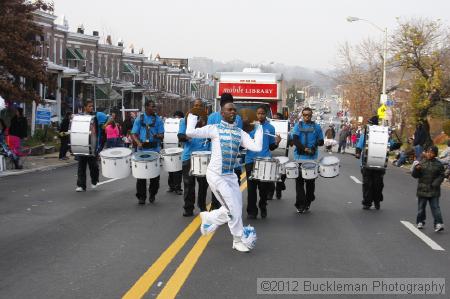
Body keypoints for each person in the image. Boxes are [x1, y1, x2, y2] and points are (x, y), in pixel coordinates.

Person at [186, 102, 262, 252]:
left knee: (236, 208)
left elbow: (256, 147)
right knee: (232, 208)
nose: (233, 112)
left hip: (231, 177)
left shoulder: (240, 133)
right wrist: (194, 115)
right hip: (216, 176)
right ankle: (238, 239)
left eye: (235, 110)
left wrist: (259, 128)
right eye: (229, 110)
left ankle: (209, 218)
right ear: (222, 113)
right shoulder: (214, 129)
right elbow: (190, 132)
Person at [207, 93, 243, 210]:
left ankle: (220, 209)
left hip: (225, 161)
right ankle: (225, 210)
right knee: (231, 187)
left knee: (220, 187)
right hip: (228, 161)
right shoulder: (215, 117)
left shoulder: (236, 118)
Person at [245, 105, 281, 219]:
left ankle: (263, 204)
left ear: (266, 115)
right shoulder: (251, 126)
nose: (260, 115)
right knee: (251, 188)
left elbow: (271, 147)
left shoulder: (270, 128)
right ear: (256, 114)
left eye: (262, 113)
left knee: (263, 187)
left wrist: (277, 142)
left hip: (264, 160)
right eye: (258, 113)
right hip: (250, 160)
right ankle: (252, 211)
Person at [178, 100, 209, 216]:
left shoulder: (208, 120)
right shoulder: (185, 120)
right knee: (188, 184)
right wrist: (188, 135)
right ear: (192, 107)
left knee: (203, 184)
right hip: (189, 156)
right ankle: (188, 208)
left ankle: (202, 206)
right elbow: (180, 136)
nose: (198, 108)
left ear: (204, 108)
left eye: (200, 106)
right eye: (196, 106)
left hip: (204, 156)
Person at [291, 107, 324, 213]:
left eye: (309, 115)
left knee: (310, 183)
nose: (306, 117)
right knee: (299, 182)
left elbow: (321, 141)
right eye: (304, 115)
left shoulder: (317, 127)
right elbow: (295, 140)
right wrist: (304, 148)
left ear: (311, 115)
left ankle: (308, 200)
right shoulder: (297, 126)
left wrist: (315, 146)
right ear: (302, 115)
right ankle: (300, 205)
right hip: (299, 158)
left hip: (312, 159)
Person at [131, 100, 164, 204]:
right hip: (142, 150)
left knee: (154, 176)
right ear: (146, 107)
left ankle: (152, 194)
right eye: (152, 106)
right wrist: (138, 142)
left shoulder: (158, 120)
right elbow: (133, 134)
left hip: (154, 150)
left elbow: (162, 135)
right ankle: (141, 197)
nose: (154, 108)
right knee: (141, 175)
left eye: (155, 106)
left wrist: (157, 135)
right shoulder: (139, 119)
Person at [75, 100, 108, 192]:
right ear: (85, 107)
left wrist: (105, 125)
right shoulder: (80, 116)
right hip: (82, 144)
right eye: (89, 106)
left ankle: (94, 181)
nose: (91, 108)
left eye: (92, 106)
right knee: (81, 166)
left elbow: (109, 118)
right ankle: (81, 185)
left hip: (93, 145)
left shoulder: (97, 115)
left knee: (93, 166)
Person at [412, 146, 445, 232]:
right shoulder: (421, 162)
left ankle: (438, 224)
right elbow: (415, 175)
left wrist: (436, 183)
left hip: (434, 190)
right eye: (428, 152)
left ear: (435, 154)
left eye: (432, 152)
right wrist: (417, 169)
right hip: (422, 189)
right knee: (421, 207)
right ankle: (420, 221)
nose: (430, 154)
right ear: (426, 152)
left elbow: (442, 175)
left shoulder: (439, 164)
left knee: (436, 208)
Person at [355, 116, 385, 210]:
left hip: (379, 165)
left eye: (370, 123)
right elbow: (359, 145)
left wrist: (395, 145)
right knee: (368, 184)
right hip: (366, 164)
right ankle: (367, 202)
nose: (368, 125)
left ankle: (376, 201)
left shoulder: (382, 135)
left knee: (378, 185)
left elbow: (389, 144)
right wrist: (358, 152)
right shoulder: (365, 135)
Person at [167, 111, 184, 195]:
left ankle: (178, 187)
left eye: (178, 117)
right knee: (170, 169)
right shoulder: (170, 126)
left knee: (178, 170)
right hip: (171, 149)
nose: (177, 119)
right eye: (175, 117)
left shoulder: (183, 125)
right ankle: (171, 186)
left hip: (179, 150)